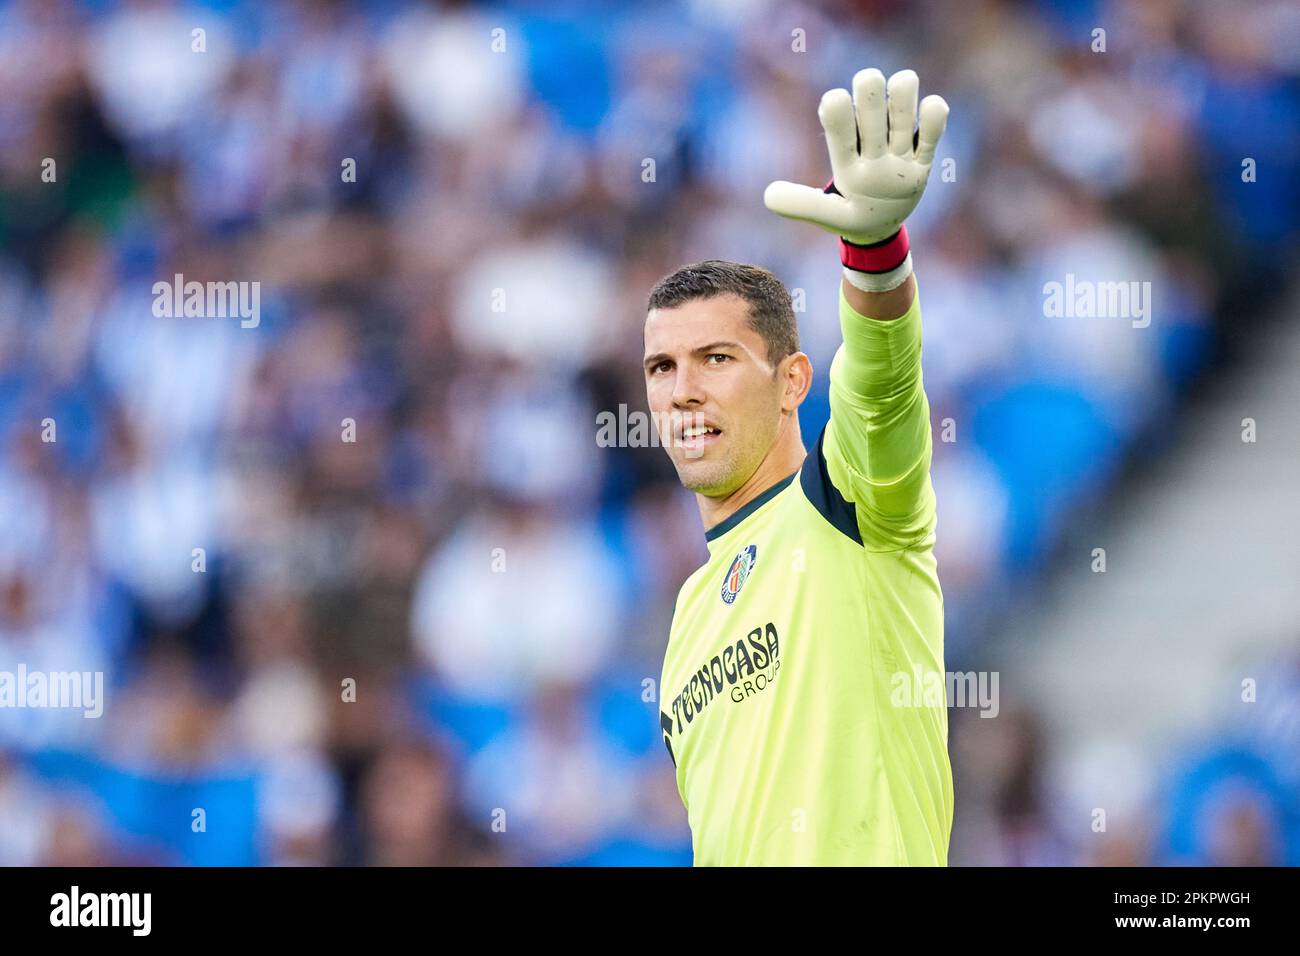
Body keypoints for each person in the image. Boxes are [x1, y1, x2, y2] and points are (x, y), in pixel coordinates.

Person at [643, 68, 952, 865]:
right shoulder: (687, 619)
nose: (683, 392)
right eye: (661, 368)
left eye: (715, 358)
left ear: (792, 382)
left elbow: (882, 385)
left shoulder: (847, 502)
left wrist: (874, 256)